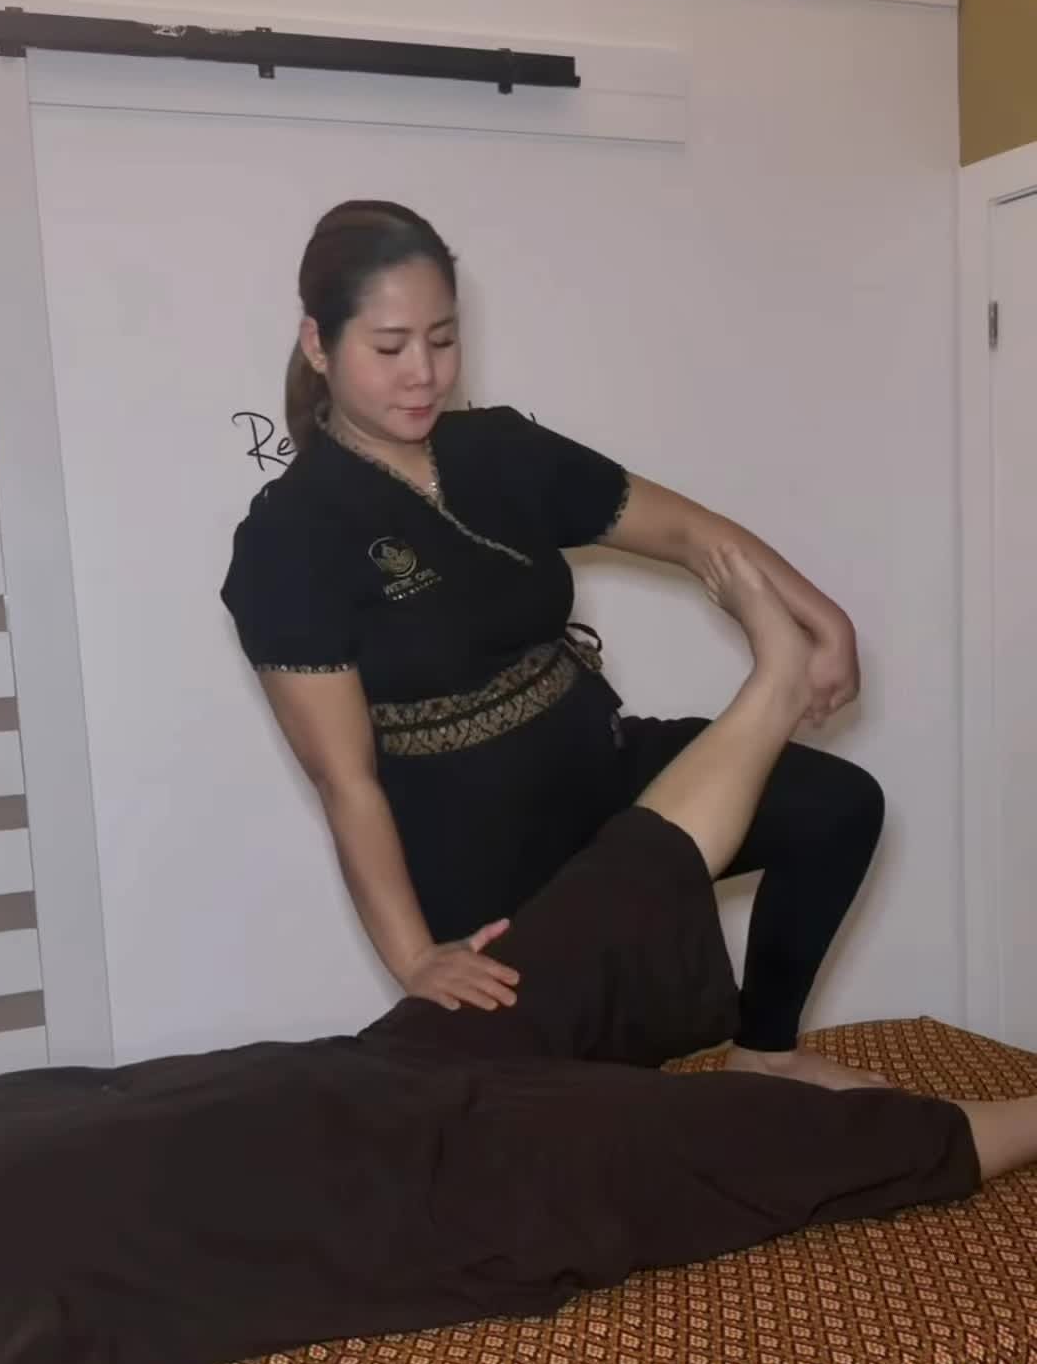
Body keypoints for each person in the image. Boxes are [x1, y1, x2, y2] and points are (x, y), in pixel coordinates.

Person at [0, 555, 1037, 1364]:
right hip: (458, 1191)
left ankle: (778, 683)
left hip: (391, 1064)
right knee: (799, 1146)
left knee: (619, 884)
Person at [222, 200, 886, 1093]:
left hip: (599, 776)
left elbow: (689, 532)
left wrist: (823, 619)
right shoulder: (290, 537)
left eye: (442, 339)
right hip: (481, 855)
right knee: (592, 1100)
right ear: (318, 343)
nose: (423, 373)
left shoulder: (499, 449)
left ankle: (766, 1052)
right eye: (389, 347)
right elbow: (347, 782)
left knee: (836, 806)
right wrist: (416, 957)